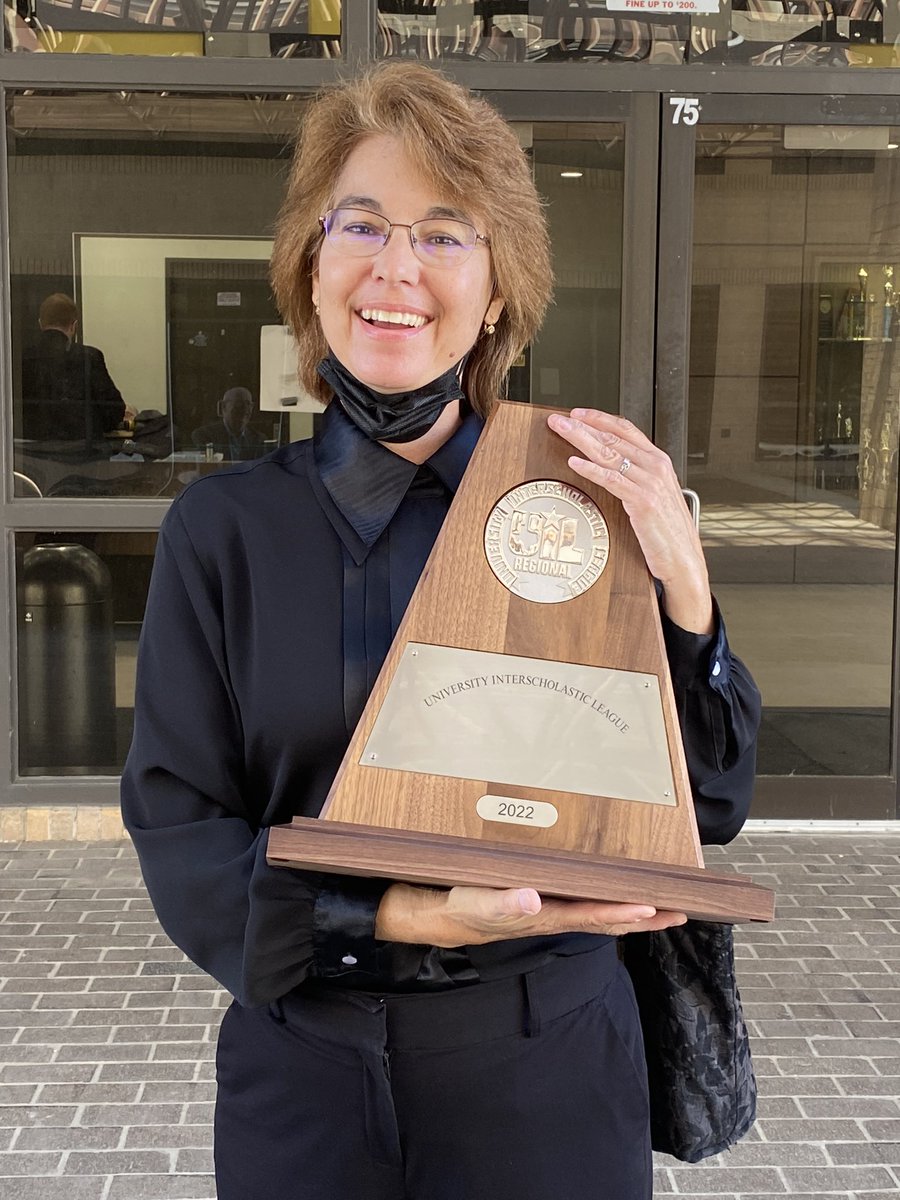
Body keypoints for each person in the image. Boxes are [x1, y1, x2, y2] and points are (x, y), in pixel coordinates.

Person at [122, 63, 761, 1200]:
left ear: (499, 291)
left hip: (546, 1070)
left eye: (444, 234)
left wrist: (685, 584)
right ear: (312, 266)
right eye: (361, 224)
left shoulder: (580, 509)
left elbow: (707, 803)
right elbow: (182, 830)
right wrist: (405, 914)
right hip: (305, 1076)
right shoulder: (224, 531)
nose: (396, 267)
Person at [21, 293, 127, 446]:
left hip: (31, 455)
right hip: (82, 454)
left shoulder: (21, 360)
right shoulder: (90, 357)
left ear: (40, 324)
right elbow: (113, 413)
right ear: (73, 326)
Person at [190, 386, 266, 461]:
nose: (245, 409)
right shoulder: (204, 435)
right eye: (239, 404)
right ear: (223, 407)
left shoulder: (258, 439)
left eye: (248, 404)